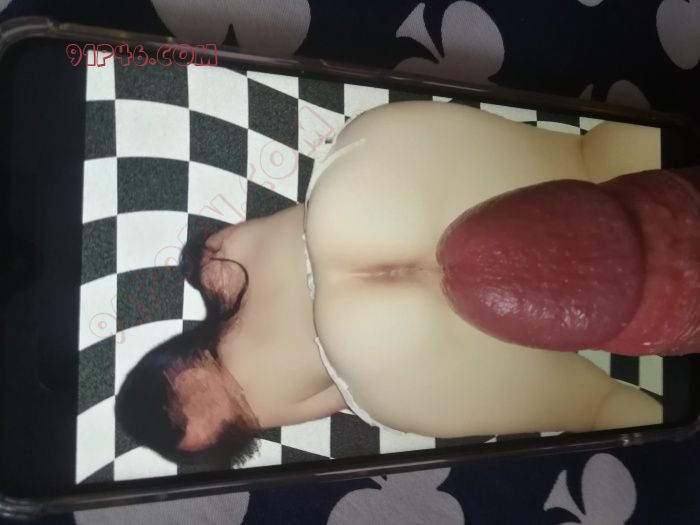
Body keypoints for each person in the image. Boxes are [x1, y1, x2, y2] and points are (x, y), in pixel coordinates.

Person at [116, 101, 663, 465]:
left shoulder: (255, 404)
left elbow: (338, 398)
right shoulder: (218, 263)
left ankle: (646, 416)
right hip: (353, 193)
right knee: (584, 160)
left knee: (596, 406)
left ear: (199, 440)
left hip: (377, 353)